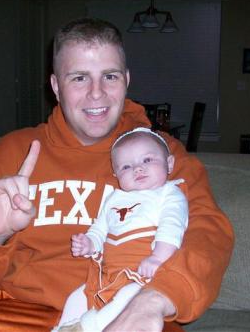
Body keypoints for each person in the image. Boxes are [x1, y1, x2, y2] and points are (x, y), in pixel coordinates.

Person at [0, 17, 234, 332]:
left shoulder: (160, 156)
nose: (97, 94)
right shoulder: (12, 153)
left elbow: (208, 233)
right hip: (12, 309)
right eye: (79, 78)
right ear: (56, 86)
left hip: (122, 310)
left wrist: (155, 301)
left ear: (126, 80)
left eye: (109, 76)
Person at [53, 127, 189, 331]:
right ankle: (62, 327)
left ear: (169, 164)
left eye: (147, 160)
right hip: (109, 273)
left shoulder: (169, 193)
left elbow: (172, 226)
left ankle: (87, 327)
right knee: (78, 297)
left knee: (128, 300)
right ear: (116, 173)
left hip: (145, 273)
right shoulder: (114, 198)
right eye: (126, 166)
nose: (138, 169)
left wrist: (158, 257)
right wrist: (89, 243)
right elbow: (100, 228)